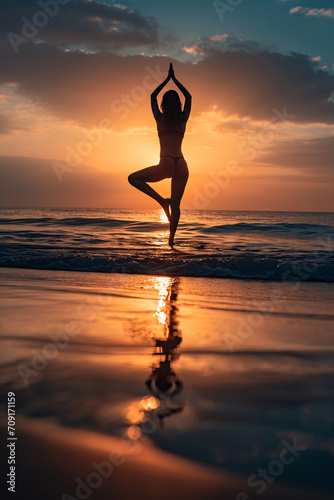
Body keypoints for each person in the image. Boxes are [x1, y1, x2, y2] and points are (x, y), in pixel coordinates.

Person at [128, 63, 191, 247]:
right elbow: (188, 96)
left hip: (166, 163)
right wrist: (175, 80)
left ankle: (161, 201)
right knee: (177, 206)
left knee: (133, 178)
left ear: (164, 104)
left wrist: (166, 80)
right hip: (182, 164)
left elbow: (153, 96)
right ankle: (171, 240)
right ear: (178, 104)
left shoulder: (160, 119)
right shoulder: (182, 120)